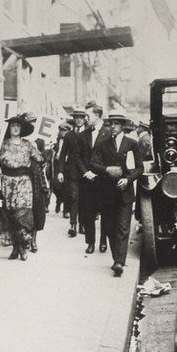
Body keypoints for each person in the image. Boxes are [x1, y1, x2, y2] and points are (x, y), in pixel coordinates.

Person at [91, 112, 143, 277]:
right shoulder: (102, 144)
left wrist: (128, 180)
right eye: (110, 124)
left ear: (122, 126)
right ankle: (116, 258)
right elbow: (93, 164)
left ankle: (119, 261)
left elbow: (140, 168)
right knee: (110, 227)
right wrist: (107, 170)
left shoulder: (132, 144)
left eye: (116, 124)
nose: (112, 127)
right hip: (107, 192)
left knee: (123, 227)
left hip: (125, 193)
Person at [0, 113, 44, 261]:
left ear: (22, 128)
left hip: (23, 181)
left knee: (22, 214)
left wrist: (44, 154)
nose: (15, 128)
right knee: (10, 215)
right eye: (13, 126)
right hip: (7, 181)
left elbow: (40, 159)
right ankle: (15, 247)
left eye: (18, 126)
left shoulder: (28, 144)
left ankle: (23, 247)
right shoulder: (3, 144)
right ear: (9, 128)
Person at [77, 102, 111, 254]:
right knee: (88, 213)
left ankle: (103, 241)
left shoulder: (109, 133)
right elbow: (77, 157)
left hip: (104, 181)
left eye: (88, 115)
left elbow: (112, 158)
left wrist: (102, 172)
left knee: (105, 212)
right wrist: (85, 172)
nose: (85, 118)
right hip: (87, 180)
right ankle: (90, 242)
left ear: (97, 116)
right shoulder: (83, 135)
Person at [57, 108, 86, 237]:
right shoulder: (69, 135)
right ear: (74, 120)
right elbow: (63, 154)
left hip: (86, 171)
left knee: (84, 199)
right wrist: (60, 171)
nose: (79, 119)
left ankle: (82, 224)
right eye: (76, 117)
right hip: (72, 171)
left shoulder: (89, 134)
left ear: (84, 119)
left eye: (81, 117)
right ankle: (73, 224)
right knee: (74, 197)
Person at [30, 136, 49, 252]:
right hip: (24, 176)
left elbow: (44, 158)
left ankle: (33, 239)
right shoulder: (21, 139)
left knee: (36, 209)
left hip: (37, 177)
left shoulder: (40, 140)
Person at [51, 121, 71, 216]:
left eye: (65, 131)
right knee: (56, 186)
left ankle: (66, 210)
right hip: (57, 164)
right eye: (61, 130)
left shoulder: (71, 141)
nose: (62, 133)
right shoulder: (55, 141)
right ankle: (59, 200)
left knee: (66, 187)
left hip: (67, 165)